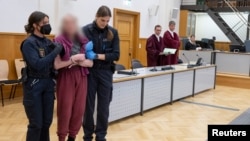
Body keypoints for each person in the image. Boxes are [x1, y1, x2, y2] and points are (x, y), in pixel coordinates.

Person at [21, 11, 62, 141]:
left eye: (48, 22)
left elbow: (62, 51)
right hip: (34, 85)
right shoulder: (29, 43)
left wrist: (61, 45)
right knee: (36, 124)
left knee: (46, 123)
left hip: (48, 84)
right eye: (44, 23)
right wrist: (55, 51)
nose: (47, 25)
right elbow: (37, 64)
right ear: (35, 25)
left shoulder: (46, 41)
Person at [82, 5, 120, 141]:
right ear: (96, 17)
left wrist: (97, 56)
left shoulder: (113, 32)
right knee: (88, 106)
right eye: (102, 20)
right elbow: (79, 51)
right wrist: (86, 54)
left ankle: (101, 135)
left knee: (103, 106)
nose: (105, 24)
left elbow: (116, 55)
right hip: (90, 72)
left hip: (105, 72)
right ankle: (87, 135)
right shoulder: (85, 30)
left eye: (107, 21)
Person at [54, 15, 93, 141]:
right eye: (67, 23)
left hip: (82, 74)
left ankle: (72, 136)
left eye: (73, 23)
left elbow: (91, 62)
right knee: (65, 109)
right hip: (66, 76)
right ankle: (62, 137)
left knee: (79, 109)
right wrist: (72, 60)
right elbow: (57, 65)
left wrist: (80, 62)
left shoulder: (84, 40)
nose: (71, 26)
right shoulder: (58, 40)